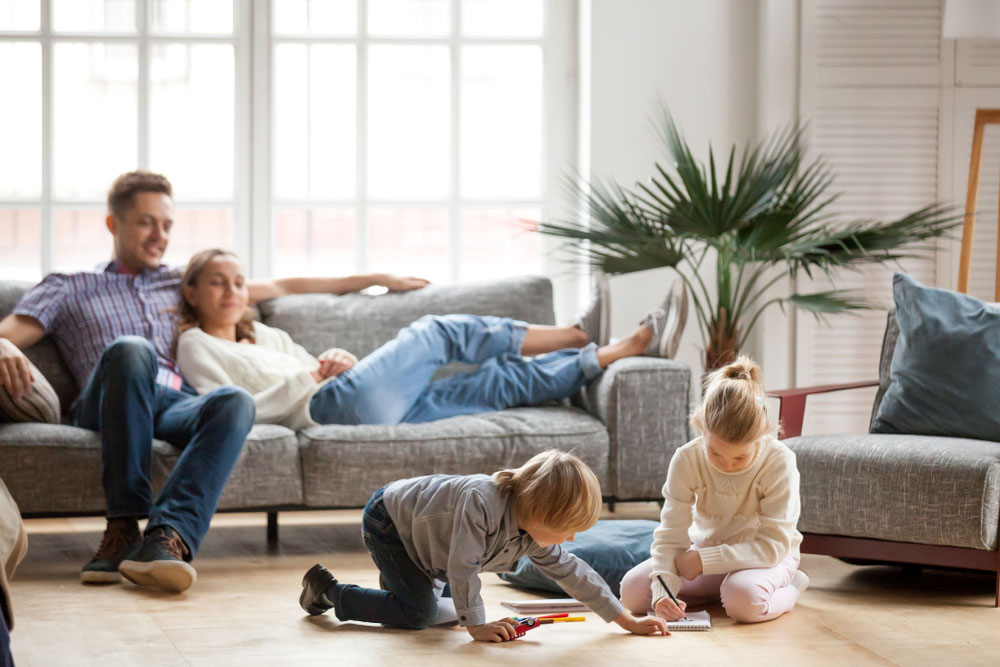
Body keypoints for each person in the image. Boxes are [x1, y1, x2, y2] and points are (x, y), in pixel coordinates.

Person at [0, 171, 429, 593]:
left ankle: (168, 539)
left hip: (172, 401)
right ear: (114, 224)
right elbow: (12, 331)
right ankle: (122, 526)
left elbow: (284, 284)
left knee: (234, 401)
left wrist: (376, 279)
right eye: (146, 222)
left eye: (167, 224)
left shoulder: (181, 281)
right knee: (132, 349)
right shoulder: (70, 286)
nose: (159, 235)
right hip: (108, 400)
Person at [172, 249, 681, 429]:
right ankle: (575, 332)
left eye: (239, 282)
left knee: (494, 383)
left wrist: (336, 358)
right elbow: (226, 410)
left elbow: (315, 362)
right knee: (436, 332)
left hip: (352, 398)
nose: (232, 291)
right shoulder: (195, 345)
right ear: (192, 292)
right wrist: (311, 377)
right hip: (327, 407)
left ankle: (615, 350)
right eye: (217, 282)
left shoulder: (263, 333)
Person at [297, 450, 669, 641]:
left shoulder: (533, 531)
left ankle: (400, 593)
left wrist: (627, 620)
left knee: (434, 613)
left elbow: (574, 573)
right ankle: (328, 591)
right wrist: (477, 626)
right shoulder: (482, 501)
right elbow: (463, 567)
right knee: (421, 615)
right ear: (539, 513)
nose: (570, 539)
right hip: (391, 523)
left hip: (429, 544)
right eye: (566, 530)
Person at [619, 356, 808, 624]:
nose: (727, 465)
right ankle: (720, 591)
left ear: (763, 435)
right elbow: (670, 536)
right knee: (632, 594)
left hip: (767, 558)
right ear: (701, 427)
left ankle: (789, 588)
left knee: (744, 602)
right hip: (706, 554)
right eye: (715, 453)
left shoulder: (780, 461)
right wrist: (664, 593)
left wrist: (704, 560)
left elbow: (772, 547)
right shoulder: (686, 458)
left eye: (740, 458)